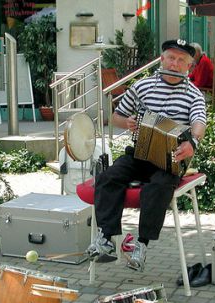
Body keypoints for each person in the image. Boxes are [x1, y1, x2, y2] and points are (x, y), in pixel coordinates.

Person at [87, 39, 207, 272]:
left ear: (189, 67)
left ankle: (142, 244)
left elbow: (199, 122)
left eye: (181, 60)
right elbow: (117, 117)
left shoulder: (194, 94)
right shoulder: (142, 86)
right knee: (109, 177)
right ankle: (106, 238)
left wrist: (193, 141)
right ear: (162, 59)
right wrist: (128, 122)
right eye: (171, 58)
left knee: (159, 186)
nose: (174, 64)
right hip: (140, 153)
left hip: (170, 158)